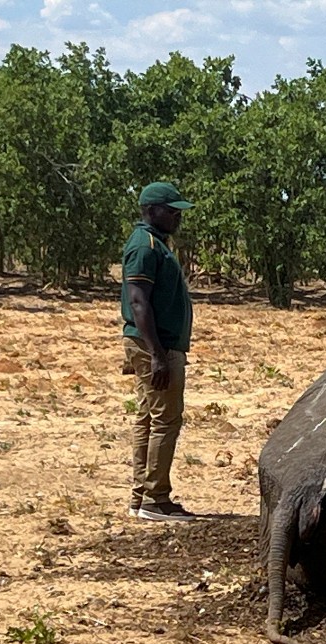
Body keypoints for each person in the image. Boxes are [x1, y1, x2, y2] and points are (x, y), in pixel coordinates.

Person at [121, 181, 197, 521]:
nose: (177, 216)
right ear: (152, 210)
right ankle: (156, 499)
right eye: (171, 210)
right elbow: (138, 302)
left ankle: (143, 497)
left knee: (149, 418)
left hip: (157, 344)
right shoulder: (145, 246)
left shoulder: (156, 244)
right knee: (165, 419)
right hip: (157, 346)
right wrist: (156, 354)